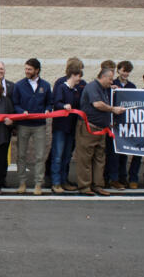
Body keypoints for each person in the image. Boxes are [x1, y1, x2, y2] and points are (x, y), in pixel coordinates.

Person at [75, 67, 125, 196]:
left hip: (101, 129)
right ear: (103, 77)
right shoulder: (92, 87)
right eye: (110, 79)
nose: (111, 82)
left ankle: (98, 185)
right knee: (85, 159)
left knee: (99, 159)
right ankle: (85, 186)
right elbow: (97, 104)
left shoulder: (104, 89)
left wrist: (114, 90)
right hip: (89, 129)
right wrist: (113, 109)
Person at [12, 58, 52, 195]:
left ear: (37, 70)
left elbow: (49, 103)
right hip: (23, 125)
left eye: (29, 69)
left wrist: (47, 110)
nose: (26, 71)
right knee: (21, 155)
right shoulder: (19, 85)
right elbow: (15, 104)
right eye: (26, 69)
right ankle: (22, 182)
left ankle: (38, 184)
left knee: (40, 155)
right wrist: (20, 112)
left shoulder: (46, 86)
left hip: (39, 125)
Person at [50, 65, 82, 193]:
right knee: (57, 156)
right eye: (79, 76)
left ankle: (64, 180)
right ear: (73, 75)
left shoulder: (76, 90)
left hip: (71, 127)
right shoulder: (61, 87)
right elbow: (56, 103)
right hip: (60, 127)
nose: (80, 79)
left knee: (67, 156)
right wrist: (63, 105)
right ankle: (56, 182)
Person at [105, 60, 135, 189]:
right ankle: (111, 178)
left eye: (128, 71)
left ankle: (122, 178)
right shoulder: (112, 83)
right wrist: (110, 89)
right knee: (112, 153)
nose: (125, 74)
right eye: (123, 71)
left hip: (126, 124)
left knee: (124, 153)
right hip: (113, 123)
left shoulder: (132, 86)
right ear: (118, 71)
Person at [0, 61, 15, 186]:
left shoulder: (12, 86)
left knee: (3, 155)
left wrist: (14, 124)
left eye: (1, 69)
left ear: (4, 70)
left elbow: (15, 106)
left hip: (6, 126)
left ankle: (2, 178)